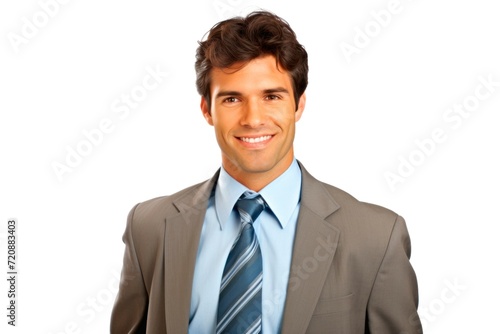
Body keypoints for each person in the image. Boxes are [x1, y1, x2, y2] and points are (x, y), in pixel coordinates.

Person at [110, 10, 422, 334]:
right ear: (207, 110)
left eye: (271, 96)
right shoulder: (148, 228)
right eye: (232, 99)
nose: (253, 118)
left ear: (299, 104)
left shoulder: (375, 237)